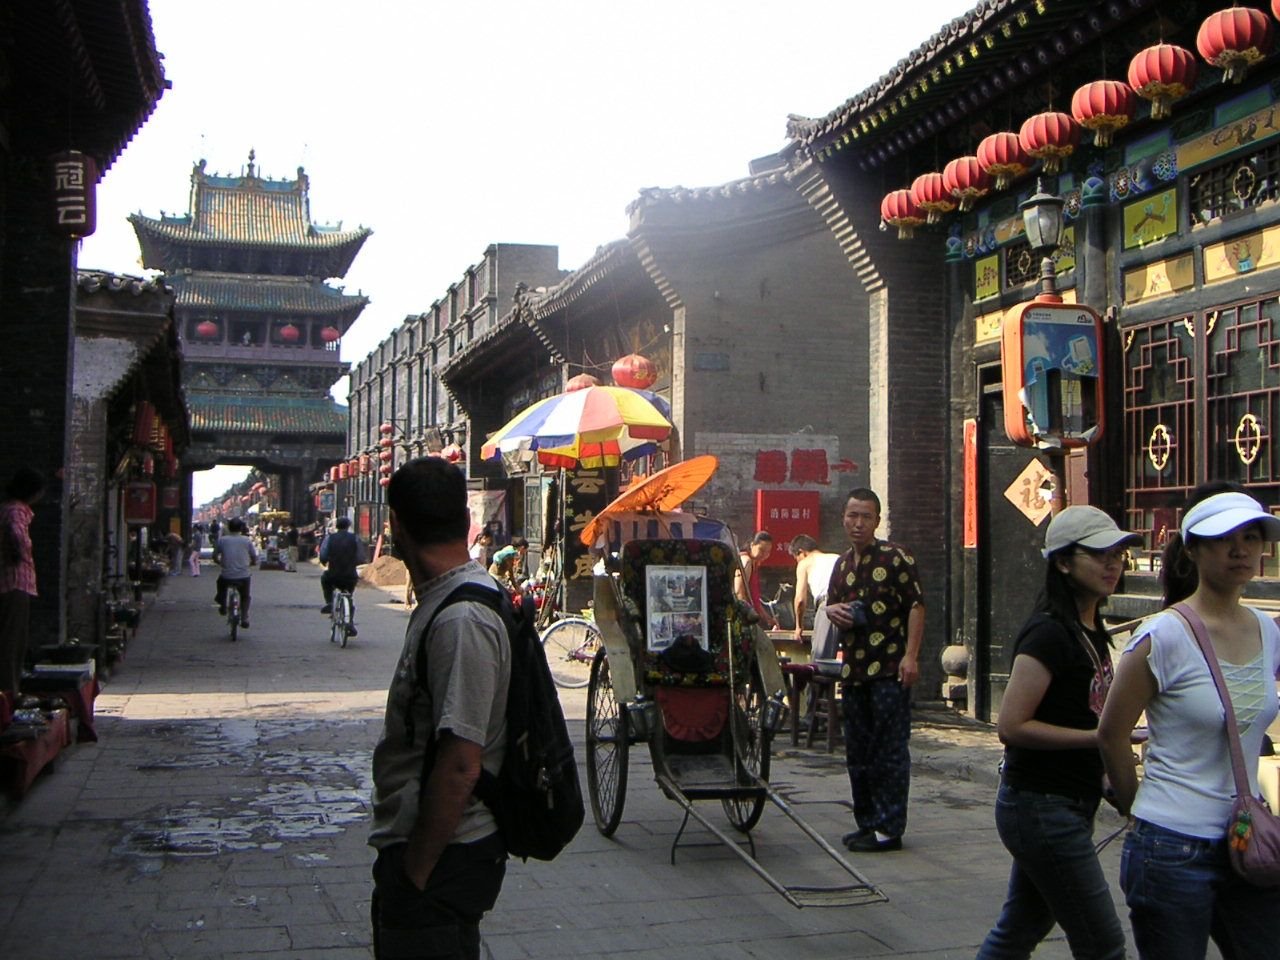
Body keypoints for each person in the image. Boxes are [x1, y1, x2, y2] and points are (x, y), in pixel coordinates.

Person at [1098, 485, 1280, 959]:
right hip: (1171, 846)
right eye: (1223, 539)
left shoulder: (1268, 630)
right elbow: (1112, 734)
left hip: (1246, 838)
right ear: (1193, 550)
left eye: (1251, 537)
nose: (1240, 550)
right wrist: (1136, 809)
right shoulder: (1162, 636)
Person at [975, 506, 1138, 960]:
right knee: (1103, 943)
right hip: (1041, 806)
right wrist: (1100, 739)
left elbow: (1083, 715)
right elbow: (1012, 726)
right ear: (1063, 562)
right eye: (1100, 554)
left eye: (1118, 555)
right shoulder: (1048, 633)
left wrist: (1105, 773)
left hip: (1069, 800)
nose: (1113, 564)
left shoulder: (1091, 629)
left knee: (1020, 928)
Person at [370, 457, 511, 960]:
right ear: (465, 520)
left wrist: (415, 873)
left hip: (444, 854)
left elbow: (459, 765)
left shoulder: (462, 618)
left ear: (396, 525)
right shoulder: (446, 598)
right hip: (435, 852)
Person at [826, 487, 924, 853]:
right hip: (854, 672)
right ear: (843, 518)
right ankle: (867, 823)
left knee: (889, 751)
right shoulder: (841, 565)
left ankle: (889, 828)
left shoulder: (896, 557)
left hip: (889, 670)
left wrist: (911, 656)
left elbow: (916, 606)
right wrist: (830, 611)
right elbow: (833, 604)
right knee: (858, 752)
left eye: (866, 516)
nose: (858, 523)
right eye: (853, 515)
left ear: (877, 521)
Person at [0, 467, 44, 700]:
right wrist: (20, 553)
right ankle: (9, 693)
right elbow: (15, 534)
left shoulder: (8, 508)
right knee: (12, 640)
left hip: (13, 582)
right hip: (15, 582)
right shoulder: (16, 510)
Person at [790, 534, 840, 660]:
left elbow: (800, 600)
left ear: (801, 552)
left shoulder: (805, 563)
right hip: (851, 604)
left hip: (829, 605)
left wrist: (799, 627)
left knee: (821, 659)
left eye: (796, 558)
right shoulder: (837, 558)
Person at [320, 517, 366, 636]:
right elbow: (361, 557)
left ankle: (329, 602)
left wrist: (324, 561)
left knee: (324, 578)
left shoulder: (330, 538)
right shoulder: (354, 538)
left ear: (337, 526)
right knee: (349, 597)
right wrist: (354, 562)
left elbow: (323, 554)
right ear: (348, 526)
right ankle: (349, 622)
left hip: (333, 575)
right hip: (350, 576)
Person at [213, 518, 257, 629]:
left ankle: (223, 604)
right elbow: (254, 556)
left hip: (227, 575)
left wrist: (220, 563)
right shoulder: (246, 540)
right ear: (241, 528)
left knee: (220, 584)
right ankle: (244, 617)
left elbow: (214, 556)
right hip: (243, 575)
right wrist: (252, 563)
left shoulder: (222, 540)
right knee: (245, 596)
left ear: (229, 527)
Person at [734, 530, 778, 629]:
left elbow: (755, 599)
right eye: (761, 550)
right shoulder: (746, 561)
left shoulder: (754, 564)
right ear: (752, 545)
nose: (764, 555)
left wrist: (768, 619)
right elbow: (739, 592)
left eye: (768, 552)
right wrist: (747, 615)